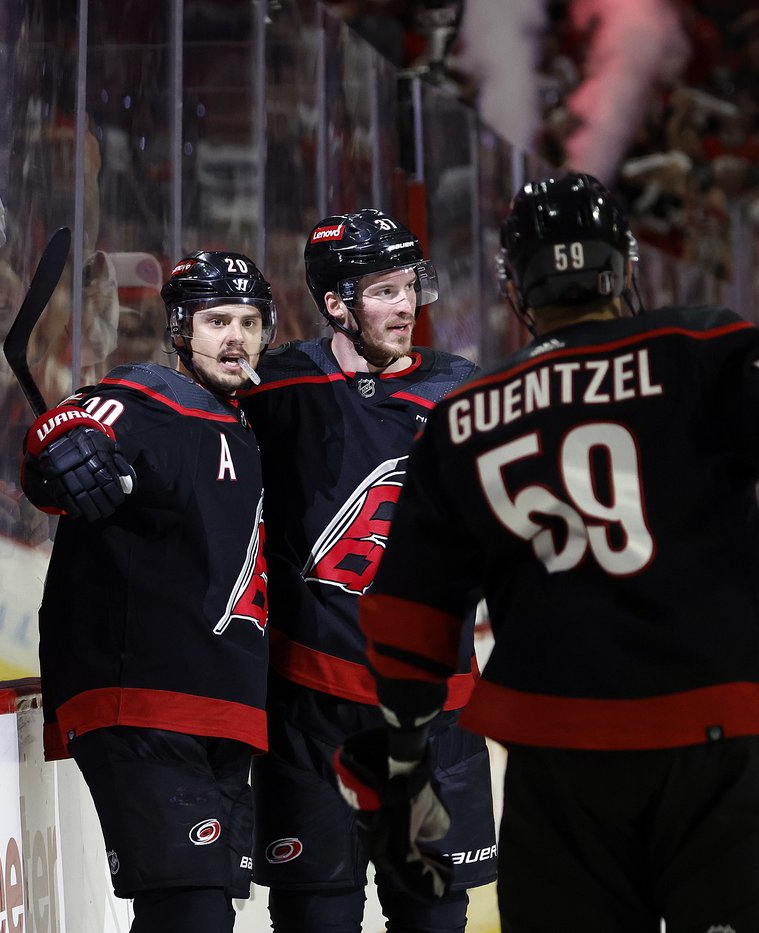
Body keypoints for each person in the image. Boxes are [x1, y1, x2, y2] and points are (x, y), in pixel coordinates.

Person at [333, 172, 759, 932]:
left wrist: (404, 765)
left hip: (558, 768)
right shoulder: (699, 349)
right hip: (714, 754)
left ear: (520, 287)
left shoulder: (466, 415)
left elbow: (410, 617)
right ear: (622, 264)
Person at [238, 209, 496, 932]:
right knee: (316, 915)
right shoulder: (274, 385)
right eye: (384, 290)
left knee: (434, 917)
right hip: (312, 709)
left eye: (410, 286)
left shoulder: (462, 393)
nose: (407, 304)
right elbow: (176, 423)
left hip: (434, 713)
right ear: (336, 303)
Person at [19, 250, 275, 933]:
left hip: (223, 709)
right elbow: (65, 434)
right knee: (192, 911)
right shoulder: (148, 397)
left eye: (250, 322)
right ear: (182, 330)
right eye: (217, 320)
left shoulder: (254, 431)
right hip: (147, 702)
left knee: (192, 910)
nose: (236, 338)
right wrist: (66, 452)